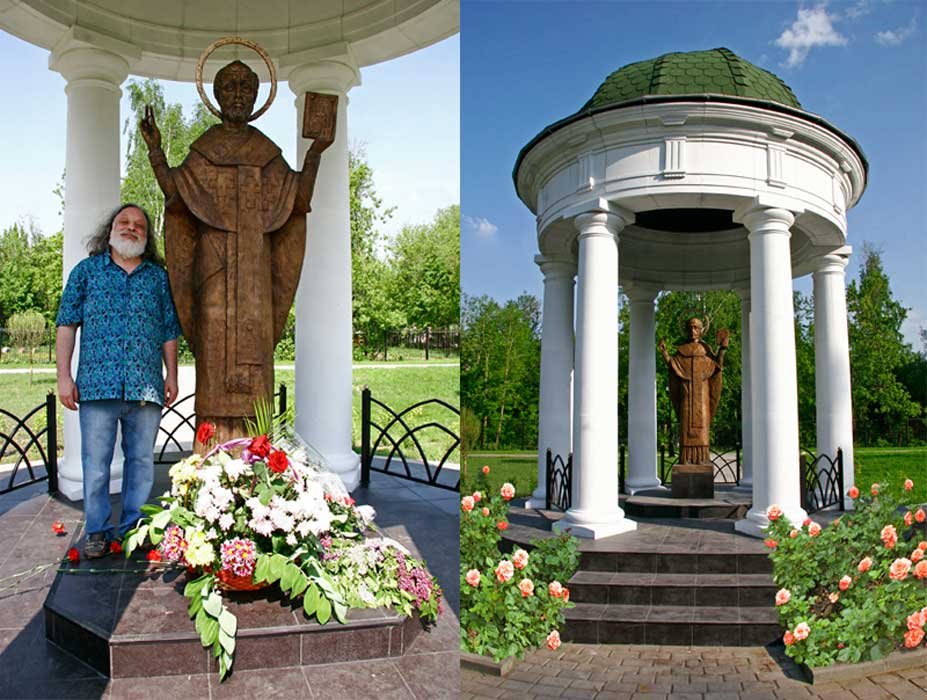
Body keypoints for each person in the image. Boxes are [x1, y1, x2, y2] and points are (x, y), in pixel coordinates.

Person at [139, 59, 334, 447]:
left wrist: (315, 153)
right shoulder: (205, 149)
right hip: (213, 267)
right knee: (214, 349)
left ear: (256, 98)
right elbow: (176, 194)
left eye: (247, 89)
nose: (239, 96)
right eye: (230, 88)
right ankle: (210, 447)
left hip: (256, 271)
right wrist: (157, 152)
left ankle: (258, 449)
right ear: (217, 96)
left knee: (256, 347)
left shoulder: (266, 152)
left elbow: (297, 197)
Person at [56, 204, 181, 558]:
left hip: (145, 386)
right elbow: (66, 324)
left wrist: (171, 373)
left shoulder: (158, 278)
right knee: (95, 466)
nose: (131, 228)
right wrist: (64, 377)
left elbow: (169, 330)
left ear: (147, 235)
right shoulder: (86, 272)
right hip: (97, 386)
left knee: (141, 464)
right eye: (124, 222)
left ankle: (134, 529)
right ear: (110, 229)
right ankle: (97, 531)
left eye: (139, 225)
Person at [658, 318, 729, 464]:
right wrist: (665, 354)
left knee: (702, 425)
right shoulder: (682, 351)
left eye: (696, 328)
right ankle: (686, 460)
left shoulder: (706, 351)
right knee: (686, 425)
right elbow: (674, 365)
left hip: (702, 396)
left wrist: (722, 348)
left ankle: (702, 459)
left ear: (702, 330)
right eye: (690, 328)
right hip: (687, 394)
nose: (693, 331)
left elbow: (717, 367)